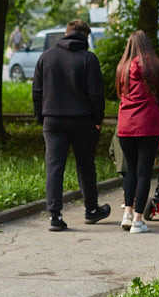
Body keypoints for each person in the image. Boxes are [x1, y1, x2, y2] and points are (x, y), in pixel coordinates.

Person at [32, 19, 111, 231]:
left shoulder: (46, 57)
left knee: (54, 167)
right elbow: (96, 94)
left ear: (66, 34)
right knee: (85, 165)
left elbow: (37, 91)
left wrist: (42, 117)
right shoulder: (88, 59)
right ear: (85, 36)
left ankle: (55, 216)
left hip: (53, 120)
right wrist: (97, 119)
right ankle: (91, 209)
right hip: (81, 120)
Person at [115, 29, 159, 234]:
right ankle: (138, 220)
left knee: (131, 169)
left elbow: (120, 94)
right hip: (148, 125)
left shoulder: (122, 68)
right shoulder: (156, 68)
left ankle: (127, 214)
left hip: (125, 125)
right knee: (144, 171)